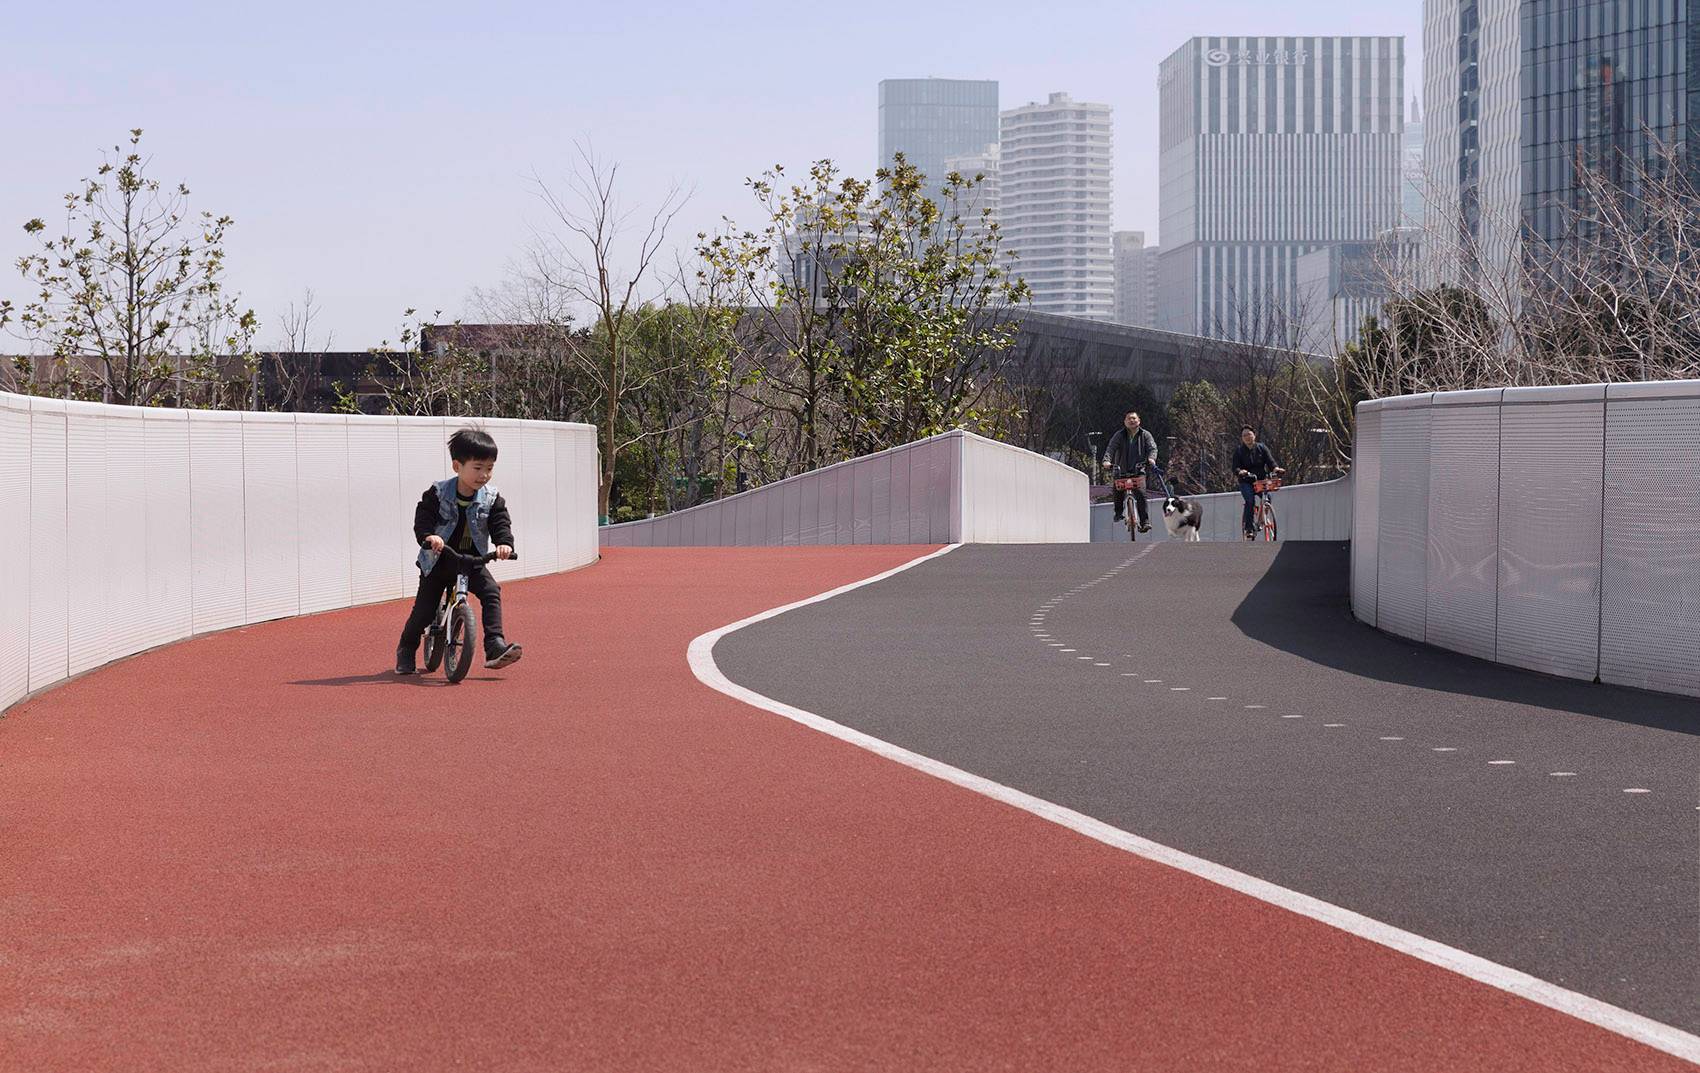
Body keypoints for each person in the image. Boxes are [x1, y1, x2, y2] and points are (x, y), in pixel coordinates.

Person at [396, 428, 523, 674]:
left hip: (471, 561)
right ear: (457, 466)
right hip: (439, 561)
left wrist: (504, 543)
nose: (484, 475)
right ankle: (406, 648)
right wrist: (428, 536)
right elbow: (424, 517)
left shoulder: (491, 498)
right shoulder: (437, 493)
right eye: (478, 468)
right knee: (423, 611)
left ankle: (494, 645)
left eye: (489, 468)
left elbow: (500, 522)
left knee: (491, 592)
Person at [1099, 411, 1158, 533]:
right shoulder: (1119, 435)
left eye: (1134, 418)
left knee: (1141, 495)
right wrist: (1106, 461)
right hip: (1121, 470)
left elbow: (1152, 448)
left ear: (1139, 421)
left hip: (1138, 470)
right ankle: (1118, 512)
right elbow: (1111, 448)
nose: (1132, 420)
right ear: (1125, 422)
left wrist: (1151, 458)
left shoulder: (1145, 435)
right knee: (1117, 491)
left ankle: (1144, 522)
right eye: (1129, 419)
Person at [1232, 425, 1283, 540]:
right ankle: (1249, 528)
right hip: (1246, 481)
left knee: (1267, 497)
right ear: (1242, 438)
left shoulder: (1262, 448)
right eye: (1244, 435)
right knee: (1250, 501)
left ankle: (1261, 520)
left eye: (1249, 434)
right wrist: (1241, 472)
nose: (1247, 437)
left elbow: (1271, 462)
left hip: (1261, 480)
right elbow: (1235, 468)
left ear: (1254, 435)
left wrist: (1276, 469)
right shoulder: (1239, 451)